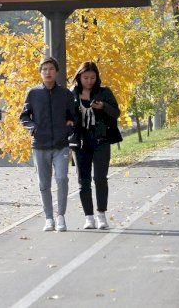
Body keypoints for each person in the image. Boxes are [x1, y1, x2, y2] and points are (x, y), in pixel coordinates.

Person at [20, 57, 76, 232]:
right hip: (40, 145)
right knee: (44, 184)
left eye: (51, 69)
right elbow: (23, 116)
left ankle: (61, 216)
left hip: (61, 145)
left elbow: (73, 116)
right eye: (44, 69)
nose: (48, 72)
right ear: (40, 72)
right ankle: (49, 218)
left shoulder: (65, 94)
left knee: (62, 178)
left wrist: (69, 127)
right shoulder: (33, 93)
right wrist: (33, 127)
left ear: (56, 72)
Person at [70, 61, 121, 230]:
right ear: (79, 77)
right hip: (80, 143)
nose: (89, 81)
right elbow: (66, 114)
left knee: (100, 178)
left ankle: (101, 215)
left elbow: (116, 113)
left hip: (101, 141)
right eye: (85, 77)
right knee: (83, 181)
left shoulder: (104, 92)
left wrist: (104, 106)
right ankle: (89, 217)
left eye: (92, 77)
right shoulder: (73, 93)